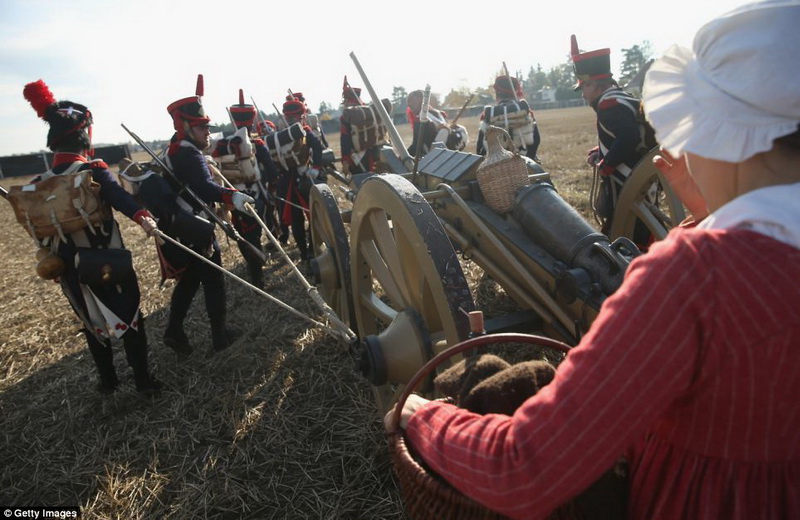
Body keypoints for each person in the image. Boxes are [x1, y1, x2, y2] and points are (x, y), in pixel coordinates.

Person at [385, 2, 800, 519]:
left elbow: (526, 468)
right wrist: (707, 210)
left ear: (727, 133)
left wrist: (423, 419)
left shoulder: (695, 278)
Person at [21, 79, 161, 395]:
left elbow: (37, 228)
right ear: (86, 135)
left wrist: (48, 256)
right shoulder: (95, 168)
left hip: (69, 267)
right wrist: (143, 218)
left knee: (92, 325)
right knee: (131, 321)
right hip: (109, 260)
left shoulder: (39, 182)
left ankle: (108, 382)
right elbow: (119, 197)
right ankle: (143, 382)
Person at [159, 74, 254, 355]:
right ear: (185, 126)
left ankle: (174, 331)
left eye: (207, 126)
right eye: (201, 127)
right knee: (213, 280)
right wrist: (232, 197)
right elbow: (203, 187)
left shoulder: (175, 149)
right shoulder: (187, 153)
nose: (207, 132)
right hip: (195, 227)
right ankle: (219, 335)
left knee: (190, 280)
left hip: (184, 226)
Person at [571, 35, 657, 245]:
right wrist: (600, 151)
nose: (583, 94)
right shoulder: (620, 97)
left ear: (594, 84)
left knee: (627, 229)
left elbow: (629, 137)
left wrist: (607, 163)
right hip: (644, 174)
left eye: (583, 87)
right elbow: (623, 135)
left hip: (628, 179)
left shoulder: (609, 105)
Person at [213, 88, 280, 288]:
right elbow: (270, 169)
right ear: (251, 121)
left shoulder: (221, 145)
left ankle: (255, 274)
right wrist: (272, 184)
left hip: (232, 198)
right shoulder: (257, 143)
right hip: (256, 195)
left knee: (245, 235)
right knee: (255, 235)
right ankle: (258, 275)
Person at [273, 96, 325, 262]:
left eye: (294, 118)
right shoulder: (278, 136)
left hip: (305, 177)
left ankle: (312, 248)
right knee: (296, 220)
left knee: (312, 216)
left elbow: (318, 148)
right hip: (287, 181)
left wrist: (316, 169)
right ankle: (304, 253)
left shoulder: (307, 132)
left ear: (302, 117)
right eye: (288, 118)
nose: (290, 121)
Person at [475, 74, 541, 162]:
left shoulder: (489, 113)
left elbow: (480, 147)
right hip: (525, 161)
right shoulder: (524, 110)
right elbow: (536, 139)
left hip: (496, 164)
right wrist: (531, 158)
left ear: (498, 92)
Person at [339, 77, 383, 176]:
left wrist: (345, 160)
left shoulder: (346, 116)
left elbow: (345, 140)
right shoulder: (370, 112)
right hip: (378, 152)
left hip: (359, 159)